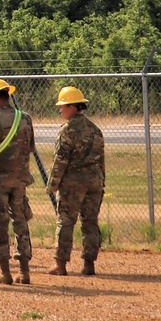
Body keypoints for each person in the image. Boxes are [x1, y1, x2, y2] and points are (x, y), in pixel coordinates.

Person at [0, 78, 35, 285]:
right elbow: (30, 147)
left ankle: (5, 271)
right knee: (20, 221)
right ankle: (24, 271)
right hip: (20, 178)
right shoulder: (25, 118)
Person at [46, 86, 105, 277]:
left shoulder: (67, 130)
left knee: (65, 221)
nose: (60, 109)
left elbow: (60, 161)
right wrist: (101, 182)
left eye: (62, 106)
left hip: (73, 183)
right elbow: (101, 159)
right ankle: (89, 264)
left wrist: (52, 185)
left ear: (72, 107)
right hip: (95, 181)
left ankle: (60, 264)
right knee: (90, 222)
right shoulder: (95, 129)